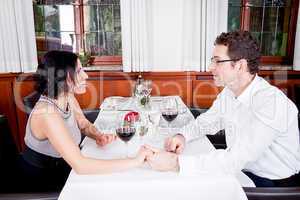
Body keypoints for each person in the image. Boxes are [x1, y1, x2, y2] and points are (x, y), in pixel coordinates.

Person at [146, 31, 300, 187]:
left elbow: (237, 158)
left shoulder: (271, 103)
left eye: (217, 61)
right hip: (241, 171)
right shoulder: (230, 91)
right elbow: (207, 123)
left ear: (240, 65)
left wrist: (176, 163)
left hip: (272, 185)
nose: (210, 67)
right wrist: (182, 136)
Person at [16, 50, 152, 192]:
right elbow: (81, 166)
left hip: (66, 166)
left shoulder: (67, 96)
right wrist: (135, 161)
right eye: (79, 71)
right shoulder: (47, 113)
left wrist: (97, 135)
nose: (85, 75)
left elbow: (82, 123)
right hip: (45, 179)